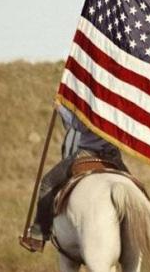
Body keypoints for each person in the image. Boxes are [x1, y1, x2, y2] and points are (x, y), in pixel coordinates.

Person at [20, 104, 129, 253]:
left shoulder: (90, 97)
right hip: (113, 156)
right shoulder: (113, 98)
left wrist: (61, 108)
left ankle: (39, 235)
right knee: (136, 189)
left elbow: (80, 126)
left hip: (88, 153)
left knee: (47, 183)